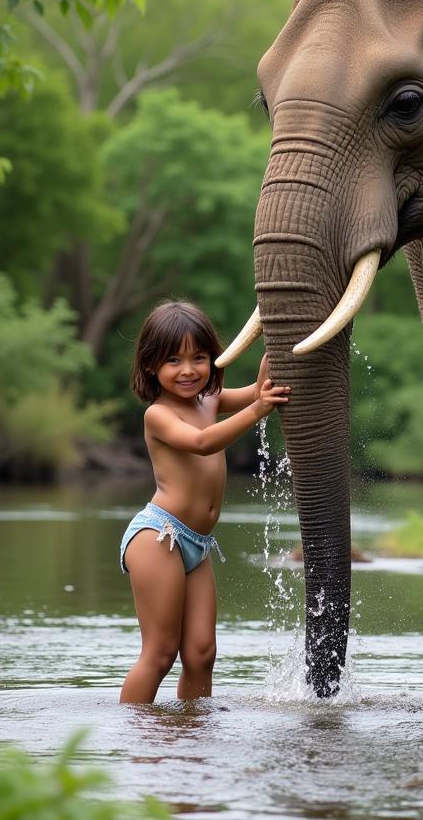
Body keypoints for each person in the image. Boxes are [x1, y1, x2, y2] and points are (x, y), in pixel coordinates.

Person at [119, 299, 289, 703]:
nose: (189, 370)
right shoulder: (157, 415)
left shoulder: (208, 400)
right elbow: (200, 442)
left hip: (197, 543)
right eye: (174, 360)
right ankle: (131, 738)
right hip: (160, 537)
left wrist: (277, 348)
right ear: (150, 366)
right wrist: (257, 411)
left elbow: (256, 393)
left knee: (201, 654)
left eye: (199, 358)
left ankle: (193, 735)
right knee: (160, 654)